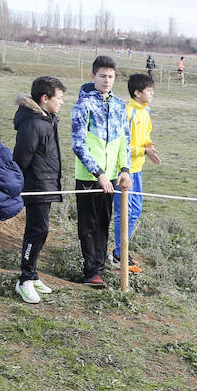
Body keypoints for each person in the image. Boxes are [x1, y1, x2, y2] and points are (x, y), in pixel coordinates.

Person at [70, 55, 131, 288]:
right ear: (93, 76)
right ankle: (90, 271)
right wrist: (99, 173)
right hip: (89, 176)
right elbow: (78, 144)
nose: (107, 80)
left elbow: (124, 139)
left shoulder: (118, 105)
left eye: (111, 76)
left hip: (112, 176)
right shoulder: (83, 105)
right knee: (89, 223)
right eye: (102, 76)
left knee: (104, 221)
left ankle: (99, 263)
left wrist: (124, 169)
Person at [12, 75, 67, 304]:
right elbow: (21, 158)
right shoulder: (34, 123)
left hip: (46, 184)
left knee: (41, 231)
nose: (61, 102)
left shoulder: (48, 120)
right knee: (37, 231)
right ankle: (24, 279)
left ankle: (33, 274)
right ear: (45, 98)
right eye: (59, 98)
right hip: (36, 185)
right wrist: (19, 184)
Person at [112, 72, 161, 273]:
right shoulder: (127, 112)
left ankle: (121, 250)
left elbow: (145, 136)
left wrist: (149, 148)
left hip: (137, 169)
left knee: (135, 211)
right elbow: (121, 144)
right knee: (124, 212)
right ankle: (118, 255)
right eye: (149, 91)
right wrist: (143, 151)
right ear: (137, 92)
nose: (152, 94)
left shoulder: (146, 111)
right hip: (123, 171)